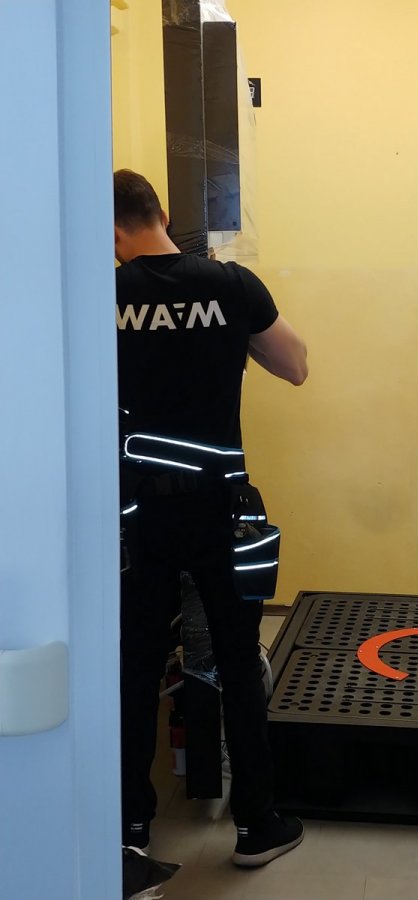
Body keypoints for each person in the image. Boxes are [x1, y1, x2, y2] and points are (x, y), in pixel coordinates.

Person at [114, 169, 308, 867]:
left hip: (135, 515)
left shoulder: (103, 295)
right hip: (219, 511)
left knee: (135, 666)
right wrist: (232, 339)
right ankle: (256, 825)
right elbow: (295, 365)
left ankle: (131, 827)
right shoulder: (232, 286)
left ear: (112, 231)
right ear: (163, 215)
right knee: (235, 659)